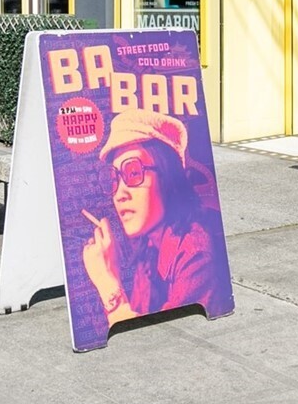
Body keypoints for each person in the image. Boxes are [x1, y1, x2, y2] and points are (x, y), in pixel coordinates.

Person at [80, 109, 231, 327]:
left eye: (134, 172)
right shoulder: (148, 247)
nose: (120, 194)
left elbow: (166, 336)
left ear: (167, 177)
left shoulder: (196, 254)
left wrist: (107, 283)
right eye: (114, 179)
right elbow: (143, 318)